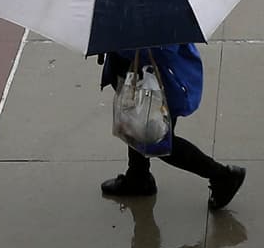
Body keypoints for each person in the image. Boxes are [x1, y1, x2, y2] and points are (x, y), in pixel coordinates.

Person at [97, 44, 246, 210]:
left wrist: (120, 46)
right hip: (137, 74)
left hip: (158, 79)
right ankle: (138, 177)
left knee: (155, 138)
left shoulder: (156, 21)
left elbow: (161, 50)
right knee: (136, 125)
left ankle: (222, 176)